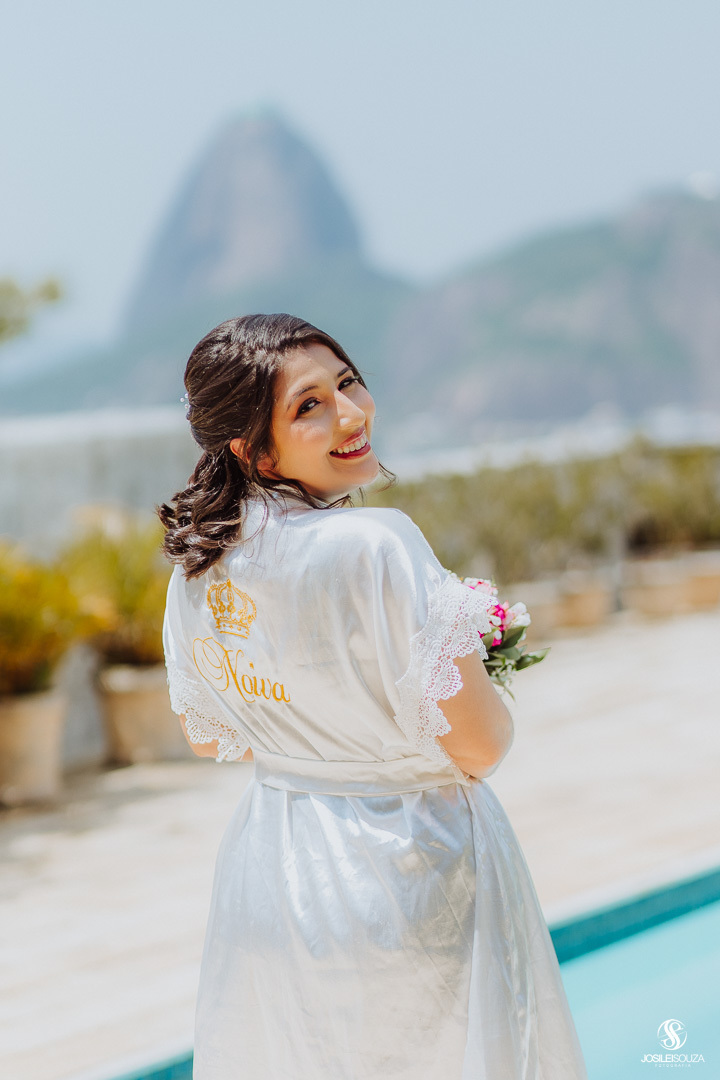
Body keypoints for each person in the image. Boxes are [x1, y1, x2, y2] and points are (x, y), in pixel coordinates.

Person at [158, 313, 588, 1080]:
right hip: (406, 865)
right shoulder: (377, 545)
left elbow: (210, 732)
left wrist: (327, 744)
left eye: (347, 382)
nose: (351, 414)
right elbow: (481, 747)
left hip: (275, 862)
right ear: (252, 448)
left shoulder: (201, 564)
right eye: (309, 405)